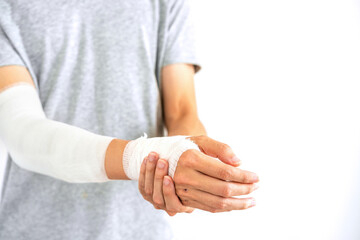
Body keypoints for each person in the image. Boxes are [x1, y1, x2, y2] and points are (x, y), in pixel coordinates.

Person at [0, 0, 259, 239]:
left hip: (142, 230)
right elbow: (22, 131)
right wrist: (138, 157)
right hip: (35, 229)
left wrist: (182, 158)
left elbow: (181, 111)